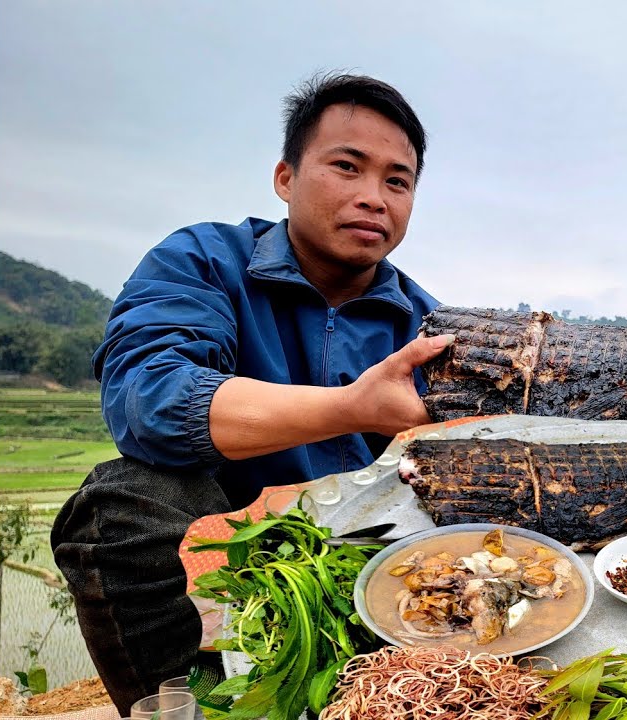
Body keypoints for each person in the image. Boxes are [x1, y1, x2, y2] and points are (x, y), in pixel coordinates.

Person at [50, 72, 449, 714]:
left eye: (397, 182)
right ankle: (188, 703)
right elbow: (150, 398)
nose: (374, 198)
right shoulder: (204, 261)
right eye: (347, 167)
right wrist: (352, 409)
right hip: (228, 538)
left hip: (363, 555)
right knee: (121, 501)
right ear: (285, 178)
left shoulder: (426, 325)